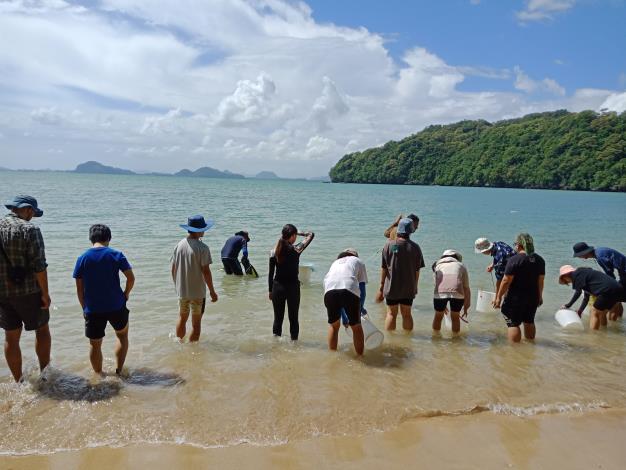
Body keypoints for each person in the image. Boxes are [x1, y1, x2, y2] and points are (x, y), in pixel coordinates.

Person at [0, 195, 51, 382]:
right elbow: (39, 266)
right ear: (28, 209)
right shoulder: (30, 229)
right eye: (33, 213)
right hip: (29, 291)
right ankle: (45, 375)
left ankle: (18, 381)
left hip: (3, 294)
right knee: (42, 330)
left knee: (11, 338)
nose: (33, 217)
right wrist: (45, 294)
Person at [73, 224, 135, 375]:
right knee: (122, 336)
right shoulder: (116, 254)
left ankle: (99, 375)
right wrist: (126, 294)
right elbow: (131, 278)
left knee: (95, 345)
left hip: (93, 308)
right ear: (109, 238)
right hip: (116, 305)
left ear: (90, 239)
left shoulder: (82, 258)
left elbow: (79, 289)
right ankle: (119, 371)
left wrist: (84, 307)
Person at [171, 215, 218, 342]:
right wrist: (212, 292)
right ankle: (192, 353)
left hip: (183, 291)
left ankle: (179, 345)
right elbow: (206, 272)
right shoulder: (203, 248)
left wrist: (177, 285)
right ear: (200, 231)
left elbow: (173, 268)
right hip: (197, 293)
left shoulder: (179, 245)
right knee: (196, 325)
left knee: (182, 318)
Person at [493, 233, 545, 343]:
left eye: (515, 244)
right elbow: (540, 281)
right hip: (533, 297)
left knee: (513, 323)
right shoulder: (540, 260)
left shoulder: (514, 260)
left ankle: (515, 351)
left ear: (519, 245)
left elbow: (506, 280)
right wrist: (540, 297)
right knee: (529, 321)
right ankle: (531, 346)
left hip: (515, 297)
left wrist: (498, 297)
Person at [376, 218, 425, 331]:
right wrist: (415, 286)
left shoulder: (388, 245)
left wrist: (382, 285)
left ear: (398, 229)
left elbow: (384, 268)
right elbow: (417, 270)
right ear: (411, 231)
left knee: (391, 314)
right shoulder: (416, 247)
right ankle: (408, 342)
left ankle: (391, 342)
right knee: (407, 315)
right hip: (408, 288)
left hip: (391, 286)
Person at [268, 224, 314, 340]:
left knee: (277, 319)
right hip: (293, 288)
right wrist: (299, 232)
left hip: (277, 288)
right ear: (293, 236)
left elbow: (270, 273)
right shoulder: (296, 249)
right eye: (295, 236)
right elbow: (310, 234)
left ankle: (275, 345)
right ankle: (294, 345)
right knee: (294, 318)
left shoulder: (273, 251)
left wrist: (270, 290)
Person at [323, 248, 366, 355]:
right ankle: (360, 358)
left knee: (334, 326)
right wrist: (360, 308)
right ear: (355, 256)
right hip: (349, 290)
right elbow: (362, 290)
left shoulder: (335, 263)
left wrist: (344, 317)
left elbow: (338, 292)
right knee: (356, 327)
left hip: (329, 292)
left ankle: (332, 355)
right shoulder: (358, 261)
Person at [572, 242, 625, 320]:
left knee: (613, 298)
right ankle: (618, 323)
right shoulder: (599, 251)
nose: (580, 257)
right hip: (623, 273)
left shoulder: (600, 257)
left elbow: (610, 275)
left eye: (579, 255)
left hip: (624, 274)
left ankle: (613, 326)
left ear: (584, 253)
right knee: (617, 298)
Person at [559, 265, 623, 330]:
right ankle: (603, 332)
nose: (568, 282)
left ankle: (593, 336)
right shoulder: (585, 276)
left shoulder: (576, 275)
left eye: (566, 281)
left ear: (565, 276)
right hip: (617, 289)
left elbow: (578, 292)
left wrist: (568, 305)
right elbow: (586, 298)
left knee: (594, 312)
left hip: (607, 290)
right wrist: (580, 311)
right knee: (602, 313)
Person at [432, 249, 470, 334]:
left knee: (438, 316)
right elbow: (466, 287)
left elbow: (436, 284)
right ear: (456, 257)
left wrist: (442, 300)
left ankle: (435, 338)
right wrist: (467, 303)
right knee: (455, 317)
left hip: (440, 293)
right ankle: (455, 341)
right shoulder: (461, 266)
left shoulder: (437, 266)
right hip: (458, 294)